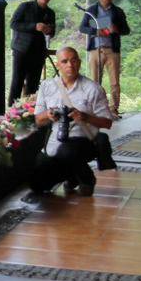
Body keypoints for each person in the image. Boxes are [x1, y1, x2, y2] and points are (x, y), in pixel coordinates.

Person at [30, 47, 113, 198]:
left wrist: (84, 117)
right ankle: (72, 176)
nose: (70, 65)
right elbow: (36, 120)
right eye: (65, 61)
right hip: (55, 142)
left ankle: (86, 178)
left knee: (67, 152)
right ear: (58, 65)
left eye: (74, 60)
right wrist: (48, 115)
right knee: (37, 183)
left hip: (84, 140)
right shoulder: (47, 86)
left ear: (79, 63)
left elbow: (107, 123)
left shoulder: (92, 89)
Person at [78, 0, 130, 116]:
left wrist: (117, 29)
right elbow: (82, 28)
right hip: (95, 50)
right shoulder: (91, 10)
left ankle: (114, 109)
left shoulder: (117, 11)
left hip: (112, 50)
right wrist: (96, 30)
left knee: (114, 81)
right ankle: (96, 109)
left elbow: (126, 30)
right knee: (95, 81)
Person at [9, 0, 56, 101]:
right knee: (17, 82)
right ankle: (11, 112)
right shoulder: (25, 6)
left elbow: (52, 32)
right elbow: (13, 24)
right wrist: (34, 26)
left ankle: (30, 113)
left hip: (39, 51)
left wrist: (49, 30)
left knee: (33, 84)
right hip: (21, 49)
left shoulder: (50, 13)